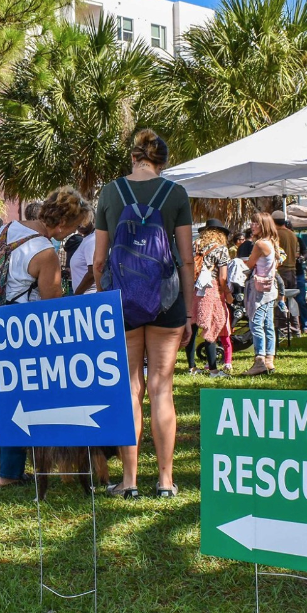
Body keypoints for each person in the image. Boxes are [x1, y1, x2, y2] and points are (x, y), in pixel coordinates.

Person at [92, 130, 195, 500]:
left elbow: (100, 259)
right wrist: (191, 308)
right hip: (167, 302)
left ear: (133, 157)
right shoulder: (176, 194)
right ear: (162, 161)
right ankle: (166, 481)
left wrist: (106, 296)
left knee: (130, 388)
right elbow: (185, 258)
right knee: (162, 388)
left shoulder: (110, 192)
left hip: (122, 304)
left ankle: (130, 481)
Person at [0, 187, 87, 489]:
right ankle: (10, 473)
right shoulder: (46, 253)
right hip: (17, 329)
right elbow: (51, 306)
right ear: (64, 224)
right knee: (19, 394)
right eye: (73, 226)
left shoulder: (6, 229)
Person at [194, 219, 234, 377]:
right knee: (212, 326)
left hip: (193, 287)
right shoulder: (221, 249)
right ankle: (213, 370)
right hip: (210, 288)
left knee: (193, 326)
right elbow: (223, 277)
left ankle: (191, 367)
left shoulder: (195, 245)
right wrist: (228, 293)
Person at [242, 212, 280, 376]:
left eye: (255, 223)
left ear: (263, 225)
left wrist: (238, 262)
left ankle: (259, 360)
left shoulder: (259, 244)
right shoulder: (272, 242)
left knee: (256, 323)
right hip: (270, 288)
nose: (252, 225)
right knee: (268, 324)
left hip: (259, 289)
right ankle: (269, 359)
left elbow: (250, 264)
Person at [68, 217, 98, 296]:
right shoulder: (87, 239)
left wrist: (77, 294)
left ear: (92, 219)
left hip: (89, 296)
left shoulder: (92, 240)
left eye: (84, 219)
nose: (80, 224)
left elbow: (92, 273)